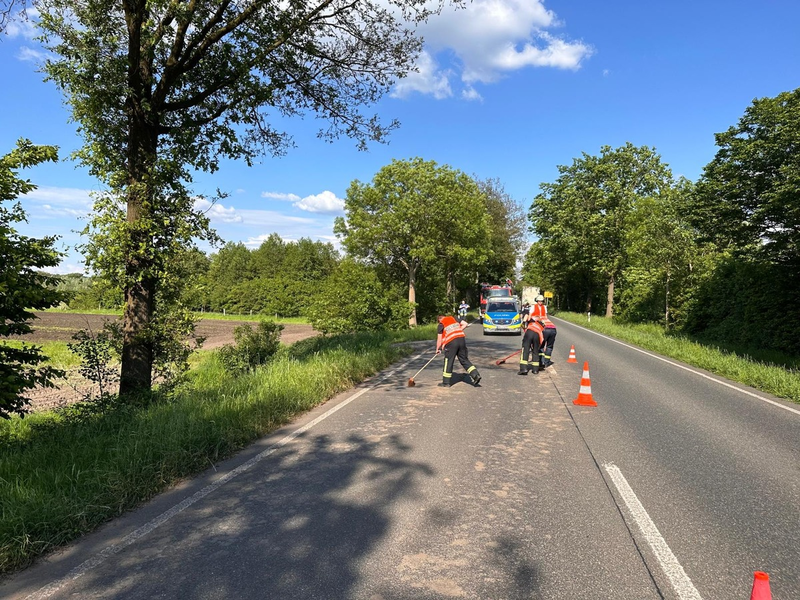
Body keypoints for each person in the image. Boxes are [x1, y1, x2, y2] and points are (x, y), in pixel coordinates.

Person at [436, 314, 481, 387]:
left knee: (448, 360)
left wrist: (438, 349)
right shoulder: (454, 318)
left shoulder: (441, 324)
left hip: (451, 343)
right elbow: (465, 324)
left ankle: (446, 382)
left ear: (439, 320)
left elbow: (439, 339)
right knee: (464, 359)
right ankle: (475, 375)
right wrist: (458, 330)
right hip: (461, 339)